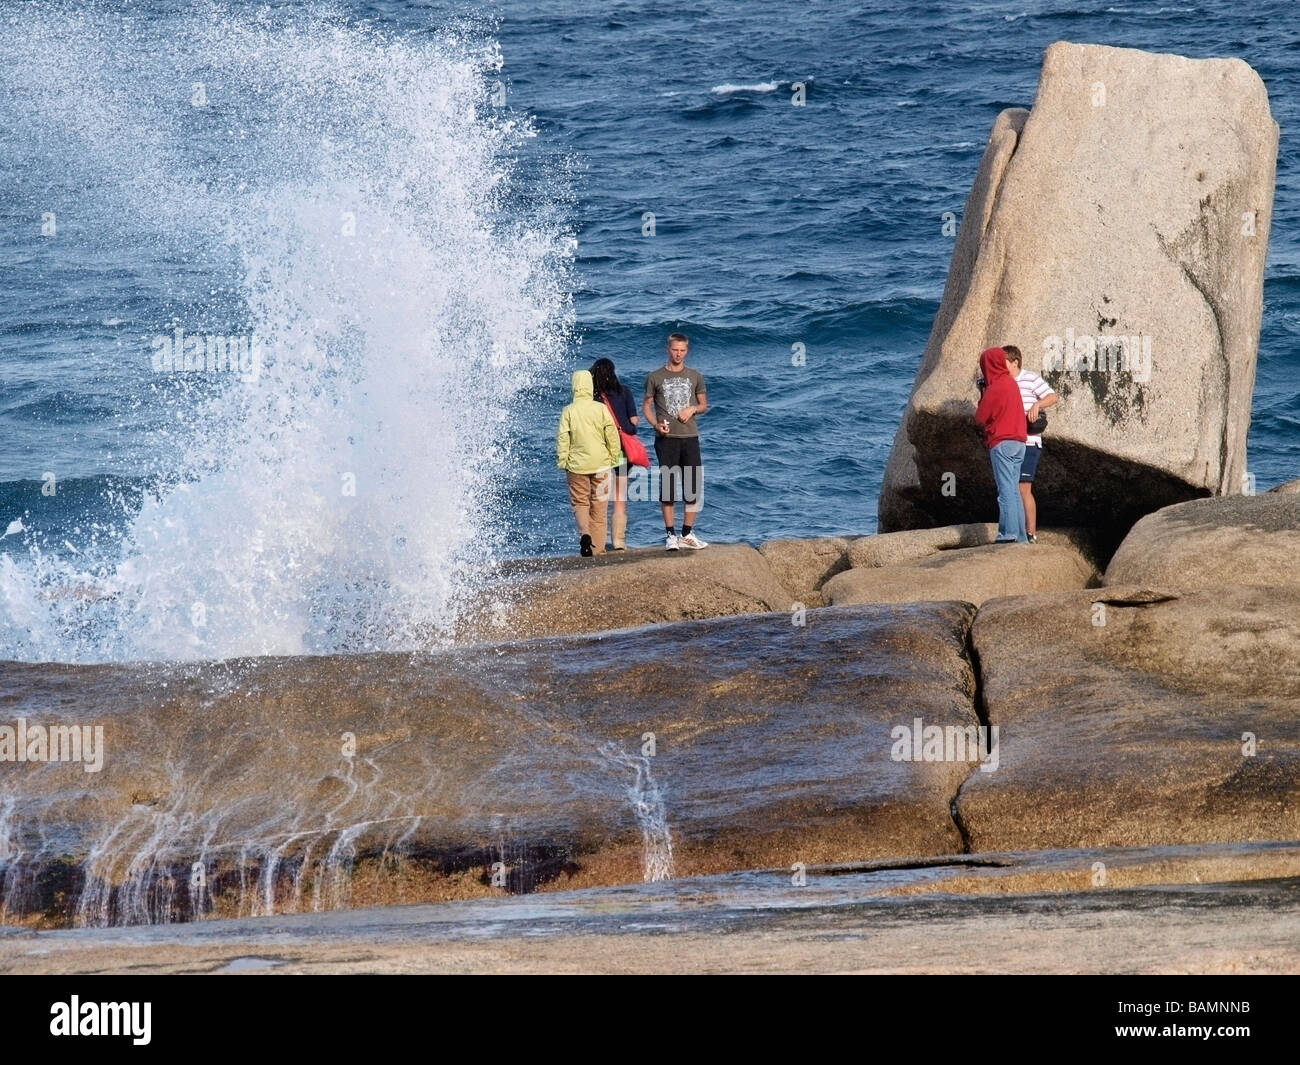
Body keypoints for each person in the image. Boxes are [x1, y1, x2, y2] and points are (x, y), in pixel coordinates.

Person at [643, 333, 708, 550]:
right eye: (674, 350)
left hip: (690, 437)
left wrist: (692, 408)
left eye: (682, 350)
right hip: (667, 439)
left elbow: (703, 405)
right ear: (667, 350)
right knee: (669, 487)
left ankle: (687, 534)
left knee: (693, 488)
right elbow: (646, 407)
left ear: (686, 351)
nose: (678, 354)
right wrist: (655, 425)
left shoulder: (695, 376)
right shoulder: (654, 376)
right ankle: (670, 535)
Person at [556, 369, 621, 557]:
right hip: (601, 463)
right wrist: (613, 456)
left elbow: (563, 438)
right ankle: (598, 549)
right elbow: (611, 433)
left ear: (575, 387)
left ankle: (585, 534)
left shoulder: (568, 411)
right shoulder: (600, 408)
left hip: (576, 466)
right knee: (599, 508)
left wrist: (563, 461)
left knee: (580, 503)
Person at [1003, 345, 1058, 544]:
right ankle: (1015, 530)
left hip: (1029, 441)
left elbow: (1053, 396)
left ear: (1014, 362)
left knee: (1023, 488)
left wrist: (1037, 405)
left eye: (1003, 363)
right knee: (1009, 488)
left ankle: (1030, 533)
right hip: (1010, 441)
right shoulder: (1002, 382)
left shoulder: (1030, 378)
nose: (1000, 367)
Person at [974, 346, 1028, 543]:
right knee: (1014, 490)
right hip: (1019, 443)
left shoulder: (996, 387)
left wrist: (983, 393)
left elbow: (980, 418)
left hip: (1002, 443)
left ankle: (1008, 534)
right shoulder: (1010, 383)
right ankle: (1021, 536)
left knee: (1005, 491)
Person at [590, 358, 639, 551]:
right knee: (620, 496)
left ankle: (597, 542)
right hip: (622, 451)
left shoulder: (593, 397)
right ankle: (618, 541)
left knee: (599, 497)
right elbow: (634, 421)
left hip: (601, 452)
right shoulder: (624, 391)